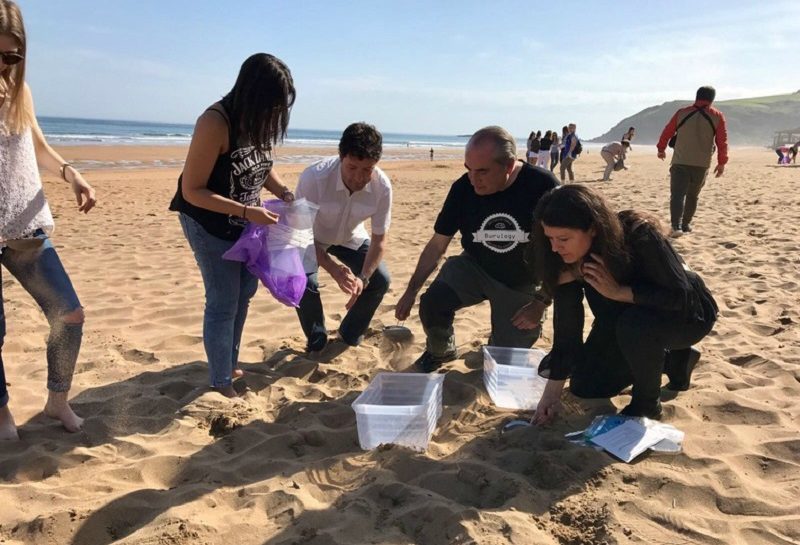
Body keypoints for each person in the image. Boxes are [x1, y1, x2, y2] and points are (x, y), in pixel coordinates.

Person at [529, 185, 718, 423]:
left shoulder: (639, 232)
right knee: (586, 385)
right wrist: (550, 397)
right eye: (550, 238)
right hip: (620, 321)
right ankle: (675, 360)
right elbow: (568, 332)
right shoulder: (562, 259)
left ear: (594, 229)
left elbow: (679, 296)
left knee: (634, 326)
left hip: (685, 314)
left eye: (564, 239)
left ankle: (646, 403)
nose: (556, 247)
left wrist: (619, 292)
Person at [169, 53, 296, 397]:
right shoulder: (215, 122)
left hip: (245, 222)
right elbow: (191, 191)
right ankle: (220, 380)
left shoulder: (259, 120)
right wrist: (245, 210)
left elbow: (261, 165)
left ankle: (228, 362)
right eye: (271, 105)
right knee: (224, 298)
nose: (274, 115)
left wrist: (283, 191)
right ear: (252, 94)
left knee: (245, 293)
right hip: (208, 222)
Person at [0, 0, 97, 438]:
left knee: (69, 313)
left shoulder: (20, 90)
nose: (3, 65)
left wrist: (69, 173)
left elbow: (35, 145)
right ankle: (2, 412)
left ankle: (57, 400)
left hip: (23, 223)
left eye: (11, 57)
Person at [395, 126, 559, 372]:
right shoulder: (463, 188)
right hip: (475, 267)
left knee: (505, 361)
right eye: (468, 170)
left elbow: (565, 254)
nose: (474, 179)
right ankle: (441, 350)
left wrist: (540, 303)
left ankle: (498, 342)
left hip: (523, 280)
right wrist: (411, 291)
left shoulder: (542, 186)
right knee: (433, 302)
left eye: (482, 171)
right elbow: (437, 244)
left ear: (509, 164)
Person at [294, 122, 392, 352]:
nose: (359, 177)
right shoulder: (313, 178)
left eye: (367, 169)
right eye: (352, 167)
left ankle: (350, 333)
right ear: (341, 157)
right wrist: (334, 269)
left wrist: (363, 279)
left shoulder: (382, 187)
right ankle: (316, 337)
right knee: (304, 282)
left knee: (381, 280)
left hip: (350, 236)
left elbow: (379, 240)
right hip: (311, 237)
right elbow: (301, 233)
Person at [657, 86, 728, 238]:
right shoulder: (717, 116)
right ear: (712, 99)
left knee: (677, 195)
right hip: (701, 164)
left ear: (696, 96)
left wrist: (661, 149)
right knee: (692, 195)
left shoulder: (682, 113)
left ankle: (676, 226)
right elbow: (722, 141)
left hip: (680, 161)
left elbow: (667, 131)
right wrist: (721, 162)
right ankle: (686, 224)